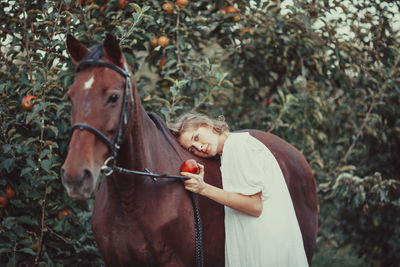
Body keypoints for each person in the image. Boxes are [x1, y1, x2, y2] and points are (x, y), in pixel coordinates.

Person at [169, 113, 309, 267]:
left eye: (196, 138)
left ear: (206, 125)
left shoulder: (236, 147)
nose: (200, 147)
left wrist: (203, 188)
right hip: (267, 244)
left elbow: (254, 206)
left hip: (265, 249)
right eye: (192, 149)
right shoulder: (235, 148)